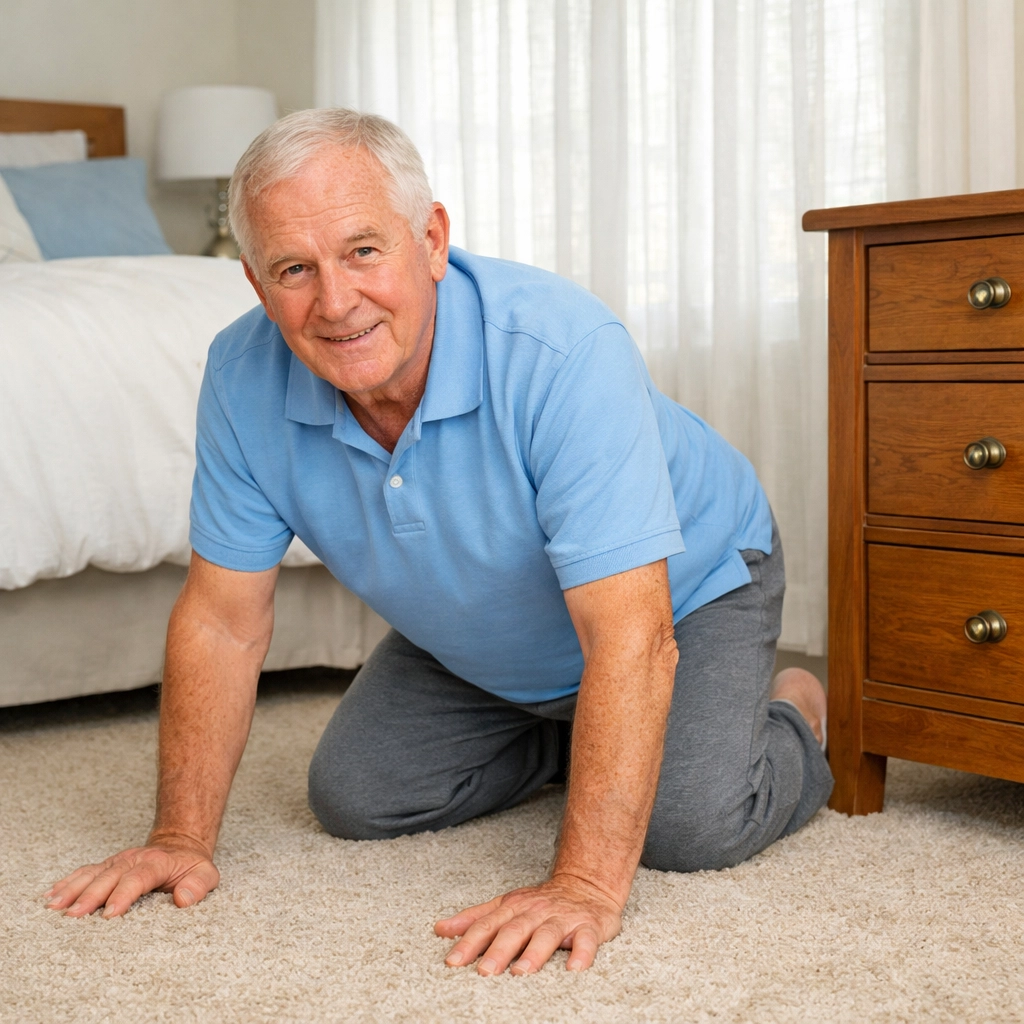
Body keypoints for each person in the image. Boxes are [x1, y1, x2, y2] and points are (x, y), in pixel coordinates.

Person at [45, 108, 832, 976]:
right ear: (257, 284)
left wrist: (581, 884)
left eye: (363, 251)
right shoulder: (239, 377)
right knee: (360, 796)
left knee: (688, 826)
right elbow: (224, 622)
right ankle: (589, 733)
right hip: (493, 618)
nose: (335, 302)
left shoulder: (561, 347)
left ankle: (793, 712)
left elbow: (631, 636)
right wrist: (179, 836)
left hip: (685, 590)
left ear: (431, 239)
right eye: (294, 269)